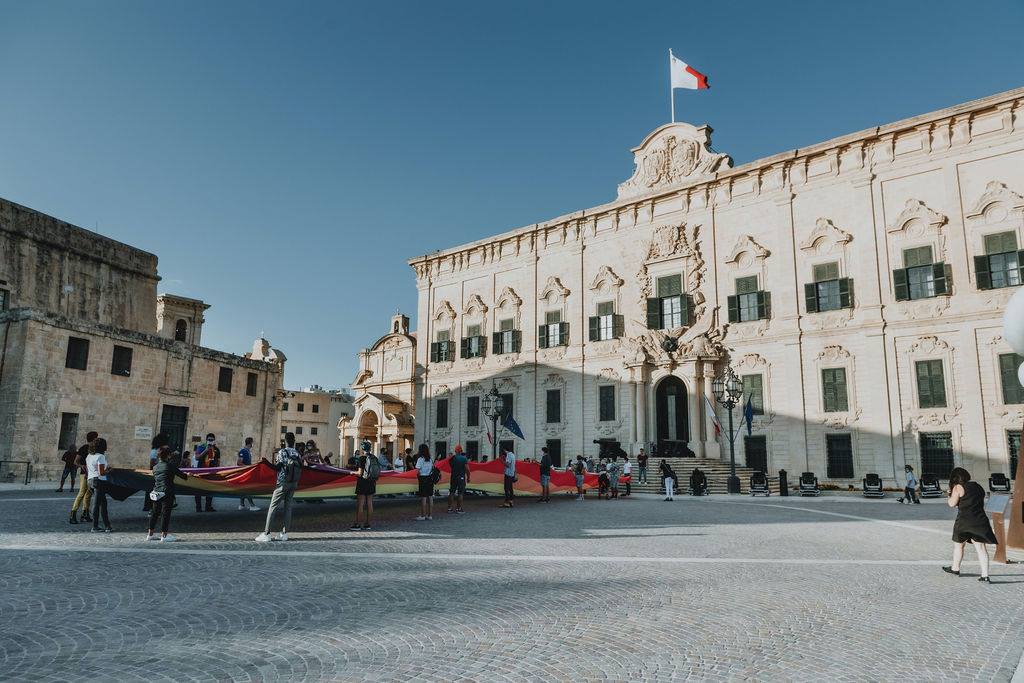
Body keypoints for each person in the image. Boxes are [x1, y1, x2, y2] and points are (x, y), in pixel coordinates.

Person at [942, 467, 998, 583]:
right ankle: (985, 575)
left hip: (964, 522)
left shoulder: (958, 487)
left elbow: (952, 504)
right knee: (981, 548)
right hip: (980, 520)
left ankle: (955, 568)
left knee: (959, 546)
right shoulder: (977, 486)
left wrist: (949, 495)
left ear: (955, 478)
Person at [255, 432, 303, 542]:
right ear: (294, 441)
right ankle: (284, 533)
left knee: (273, 506)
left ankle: (267, 533)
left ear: (285, 441)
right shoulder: (297, 453)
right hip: (293, 483)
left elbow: (277, 467)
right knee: (288, 507)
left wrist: (265, 462)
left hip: (282, 483)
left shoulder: (282, 452)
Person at [146, 446, 189, 542]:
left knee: (155, 513)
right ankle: (164, 536)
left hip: (156, 492)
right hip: (167, 492)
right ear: (168, 456)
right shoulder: (170, 466)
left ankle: (150, 535)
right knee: (165, 514)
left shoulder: (155, 467)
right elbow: (184, 476)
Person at [69, 432, 98, 524]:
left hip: (92, 474)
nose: (97, 440)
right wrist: (82, 466)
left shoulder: (95, 449)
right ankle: (73, 514)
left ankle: (85, 514)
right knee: (81, 493)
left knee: (88, 494)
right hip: (84, 474)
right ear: (93, 439)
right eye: (96, 438)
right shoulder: (84, 448)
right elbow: (75, 462)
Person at [351, 441, 379, 531]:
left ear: (362, 448)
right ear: (370, 448)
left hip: (362, 482)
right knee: (370, 504)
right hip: (371, 481)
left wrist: (352, 472)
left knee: (360, 504)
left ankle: (358, 524)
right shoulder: (374, 458)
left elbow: (360, 473)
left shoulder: (362, 458)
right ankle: (368, 524)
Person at [87, 437, 113, 532]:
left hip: (90, 480)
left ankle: (107, 525)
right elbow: (101, 472)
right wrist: (109, 470)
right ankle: (95, 526)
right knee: (98, 504)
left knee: (103, 503)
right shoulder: (100, 457)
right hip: (98, 481)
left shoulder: (89, 456)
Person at [193, 433, 220, 512]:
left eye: (212, 440)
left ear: (214, 440)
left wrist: (217, 470)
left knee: (210, 489)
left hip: (211, 472)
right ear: (206, 440)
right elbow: (197, 458)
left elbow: (218, 461)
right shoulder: (201, 447)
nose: (210, 441)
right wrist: (205, 451)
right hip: (201, 471)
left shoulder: (216, 449)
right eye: (209, 440)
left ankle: (208, 506)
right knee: (198, 490)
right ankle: (198, 507)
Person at [236, 437, 260, 511]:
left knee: (243, 489)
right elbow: (239, 463)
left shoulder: (247, 451)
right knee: (247, 489)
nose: (253, 444)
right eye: (252, 443)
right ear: (250, 443)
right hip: (244, 473)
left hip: (246, 472)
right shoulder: (243, 451)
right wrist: (249, 467)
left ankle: (241, 505)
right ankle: (252, 505)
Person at [415, 444, 435, 520]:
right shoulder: (430, 459)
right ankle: (430, 515)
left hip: (423, 478)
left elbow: (417, 471)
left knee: (423, 497)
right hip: (430, 478)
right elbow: (432, 468)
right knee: (430, 497)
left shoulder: (420, 459)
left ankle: (423, 515)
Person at [448, 444, 470, 513]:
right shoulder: (464, 458)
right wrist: (468, 477)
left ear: (455, 451)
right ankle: (459, 508)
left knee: (452, 492)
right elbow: (467, 469)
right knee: (460, 493)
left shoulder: (452, 458)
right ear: (461, 451)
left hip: (453, 477)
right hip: (461, 477)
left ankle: (450, 508)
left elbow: (451, 466)